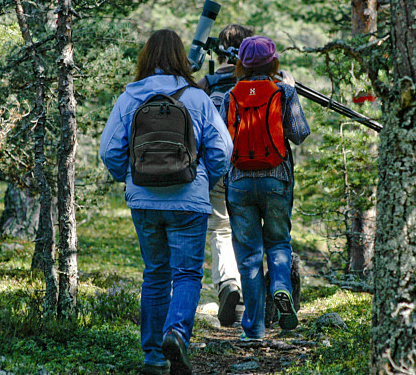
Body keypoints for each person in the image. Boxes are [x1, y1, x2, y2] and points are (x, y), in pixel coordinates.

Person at [99, 29, 233, 375]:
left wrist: (131, 178)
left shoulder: (129, 97)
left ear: (146, 57)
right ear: (179, 57)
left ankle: (154, 357)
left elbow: (108, 151)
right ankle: (176, 332)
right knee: (187, 273)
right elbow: (222, 150)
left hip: (144, 200)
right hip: (188, 200)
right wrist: (204, 179)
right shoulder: (197, 97)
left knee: (155, 274)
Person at [219, 36, 310, 341]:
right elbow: (299, 134)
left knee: (248, 255)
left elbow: (222, 145)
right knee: (278, 243)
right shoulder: (282, 92)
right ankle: (281, 286)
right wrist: (293, 93)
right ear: (274, 63)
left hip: (240, 182)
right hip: (276, 179)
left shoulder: (230, 96)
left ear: (241, 64)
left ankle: (253, 328)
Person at [197, 24, 254, 327]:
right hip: (252, 167)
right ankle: (255, 295)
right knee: (250, 230)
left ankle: (229, 285)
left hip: (216, 166)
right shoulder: (257, 81)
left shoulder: (207, 83)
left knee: (220, 231)